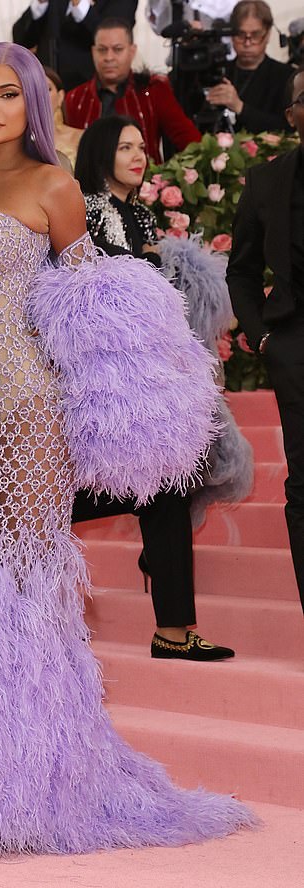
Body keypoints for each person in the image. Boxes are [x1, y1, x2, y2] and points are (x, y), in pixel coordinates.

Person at [0, 40, 255, 858]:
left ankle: (30, 787)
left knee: (21, 598)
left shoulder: (56, 186)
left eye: (9, 93)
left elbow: (92, 310)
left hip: (25, 415)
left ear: (34, 105)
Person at [72, 114, 251, 659]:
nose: (138, 155)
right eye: (125, 146)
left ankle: (173, 624)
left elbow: (162, 287)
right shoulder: (79, 207)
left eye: (141, 146)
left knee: (179, 476)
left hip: (151, 367)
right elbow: (89, 279)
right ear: (102, 152)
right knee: (147, 488)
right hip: (99, 375)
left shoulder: (143, 215)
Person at [227, 65, 304, 615]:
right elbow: (242, 271)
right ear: (291, 114)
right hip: (296, 346)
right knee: (303, 484)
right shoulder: (268, 181)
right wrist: (261, 335)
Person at [64, 18, 201, 161]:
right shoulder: (75, 98)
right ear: (93, 52)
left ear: (132, 51)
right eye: (102, 50)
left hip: (146, 180)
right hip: (87, 182)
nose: (109, 57)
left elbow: (190, 142)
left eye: (117, 49)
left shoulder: (153, 90)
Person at [206, 1, 293, 133]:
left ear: (268, 34)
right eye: (241, 35)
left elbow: (288, 128)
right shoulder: (216, 72)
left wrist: (240, 108)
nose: (247, 43)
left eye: (256, 35)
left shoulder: (287, 76)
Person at [12, 0, 138, 91]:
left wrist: (80, 5)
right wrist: (40, 3)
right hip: (47, 89)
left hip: (92, 94)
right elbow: (21, 40)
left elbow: (114, 37)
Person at [45, 65, 84, 168]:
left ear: (60, 96)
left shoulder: (82, 138)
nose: (41, 95)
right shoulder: (16, 144)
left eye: (47, 89)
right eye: (34, 89)